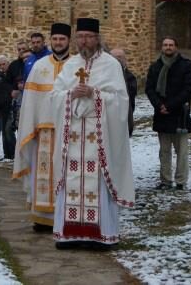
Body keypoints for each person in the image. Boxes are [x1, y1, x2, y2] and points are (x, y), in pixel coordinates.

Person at [49, 18, 134, 247]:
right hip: (73, 137)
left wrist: (94, 94)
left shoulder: (110, 65)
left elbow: (120, 101)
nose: (84, 41)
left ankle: (100, 235)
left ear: (97, 38)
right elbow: (55, 96)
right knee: (71, 182)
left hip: (99, 138)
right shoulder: (70, 65)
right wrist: (71, 95)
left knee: (97, 183)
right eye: (80, 37)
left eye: (88, 36)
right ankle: (69, 234)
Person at [13, 22, 75, 230]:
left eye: (62, 39)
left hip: (69, 130)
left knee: (66, 173)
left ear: (69, 41)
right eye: (55, 39)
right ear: (51, 40)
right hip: (43, 132)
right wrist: (30, 125)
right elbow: (30, 101)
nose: (58, 42)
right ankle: (42, 218)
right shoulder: (39, 66)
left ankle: (66, 216)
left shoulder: (77, 66)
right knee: (43, 174)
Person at [145, 36, 191, 191]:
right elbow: (149, 89)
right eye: (165, 44)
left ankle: (181, 181)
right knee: (164, 151)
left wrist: (170, 105)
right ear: (162, 47)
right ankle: (165, 180)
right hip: (161, 114)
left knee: (182, 151)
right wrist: (159, 105)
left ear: (176, 47)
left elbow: (190, 89)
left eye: (171, 45)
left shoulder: (186, 65)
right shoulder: (155, 67)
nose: (168, 47)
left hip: (179, 114)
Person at [110, 48, 138, 136]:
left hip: (125, 115)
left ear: (125, 59)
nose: (117, 60)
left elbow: (130, 95)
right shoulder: (105, 76)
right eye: (113, 57)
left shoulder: (129, 77)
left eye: (119, 57)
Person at [0, 55, 16, 159]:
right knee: (4, 132)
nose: (2, 66)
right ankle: (7, 154)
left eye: (4, 64)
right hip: (2, 107)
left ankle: (14, 152)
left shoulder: (13, 75)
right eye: (0, 65)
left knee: (8, 130)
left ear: (8, 64)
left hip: (12, 106)